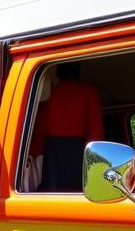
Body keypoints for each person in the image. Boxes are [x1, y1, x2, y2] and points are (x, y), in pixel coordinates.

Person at [28, 62, 104, 191]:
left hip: (51, 154)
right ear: (78, 72)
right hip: (78, 152)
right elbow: (96, 133)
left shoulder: (49, 94)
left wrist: (35, 156)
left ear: (58, 74)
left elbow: (39, 130)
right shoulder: (89, 91)